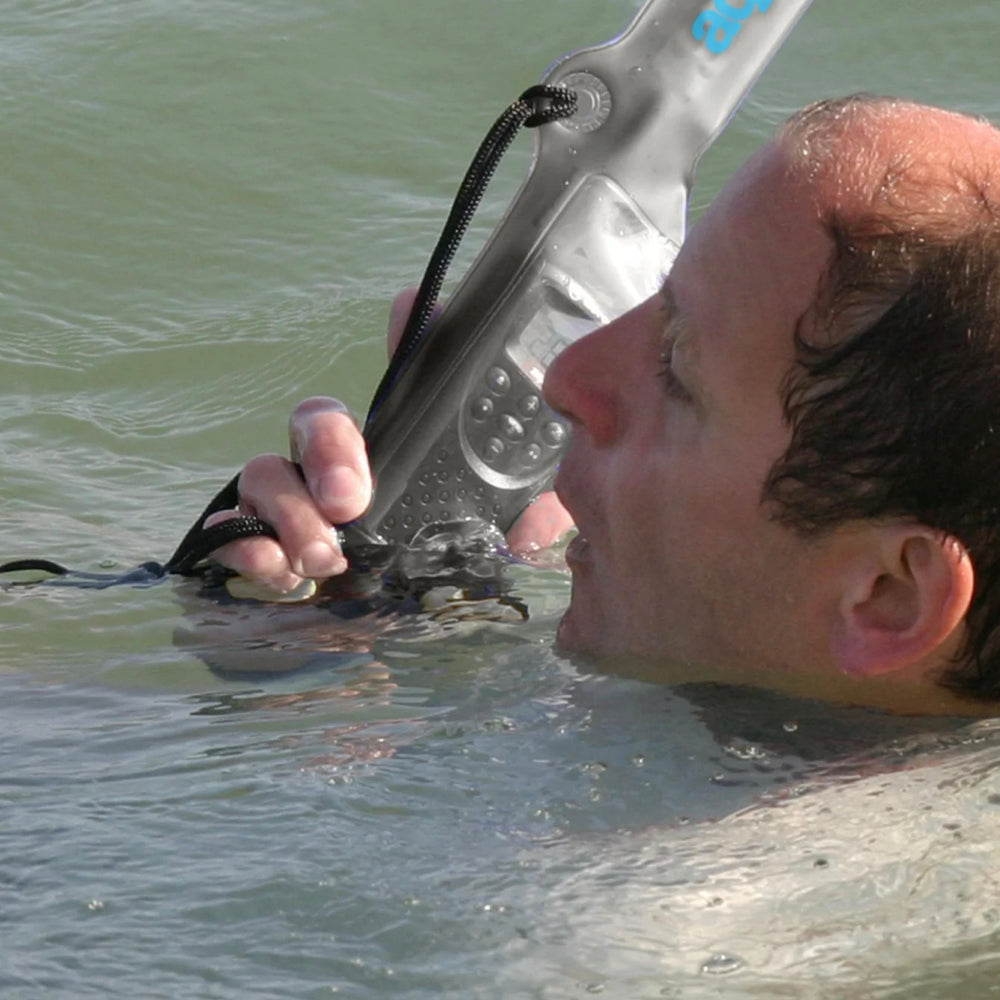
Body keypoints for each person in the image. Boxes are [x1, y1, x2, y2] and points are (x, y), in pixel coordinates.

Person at [203, 95, 1000, 715]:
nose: (565, 379)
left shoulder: (670, 879)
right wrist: (343, 612)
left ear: (889, 596)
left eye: (678, 368)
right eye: (657, 303)